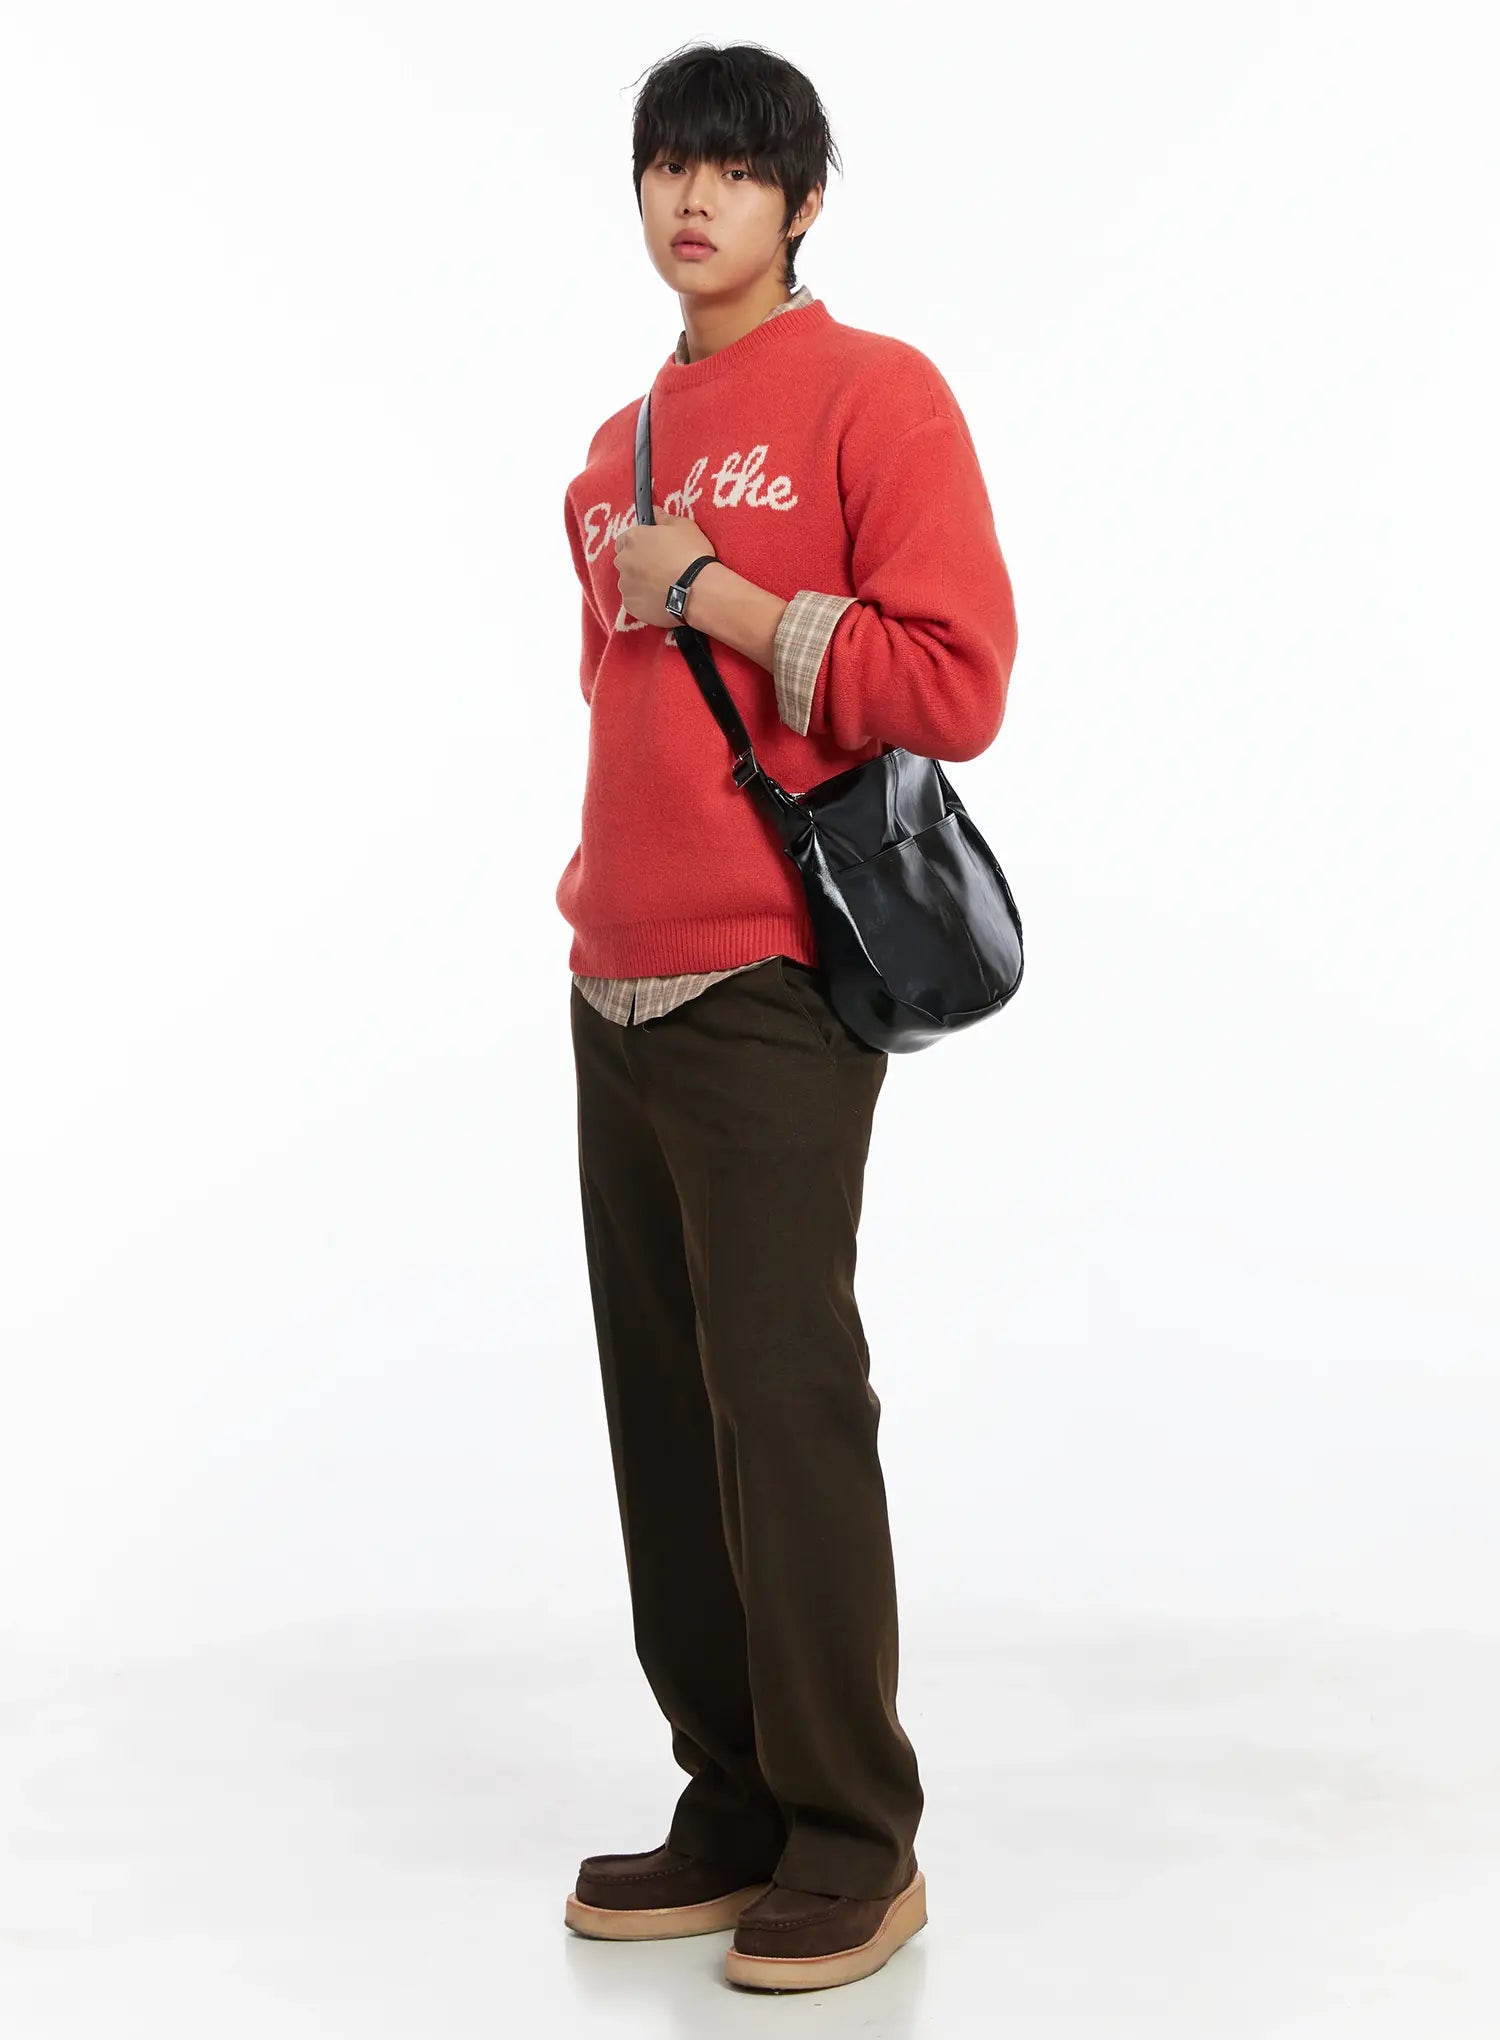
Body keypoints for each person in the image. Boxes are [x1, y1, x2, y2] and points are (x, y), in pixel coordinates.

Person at [556, 40, 1018, 1994]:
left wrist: (724, 595)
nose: (696, 197)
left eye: (737, 170)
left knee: (784, 1394)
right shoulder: (616, 445)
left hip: (766, 974)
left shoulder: (875, 394)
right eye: (669, 163)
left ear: (803, 203)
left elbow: (954, 679)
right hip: (614, 972)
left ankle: (853, 1836)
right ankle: (734, 1798)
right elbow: (616, 706)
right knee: (665, 1414)